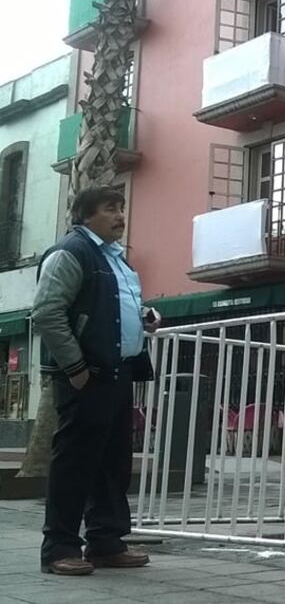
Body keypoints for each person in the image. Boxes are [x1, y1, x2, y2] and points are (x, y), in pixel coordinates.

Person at [34, 186, 160, 575]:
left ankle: (106, 542)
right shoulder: (71, 253)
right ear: (86, 215)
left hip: (118, 375)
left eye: (122, 208)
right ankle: (59, 549)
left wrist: (144, 317)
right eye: (111, 208)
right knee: (75, 463)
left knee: (112, 463)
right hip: (87, 377)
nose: (120, 215)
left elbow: (113, 308)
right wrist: (76, 369)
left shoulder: (115, 259)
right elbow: (47, 313)